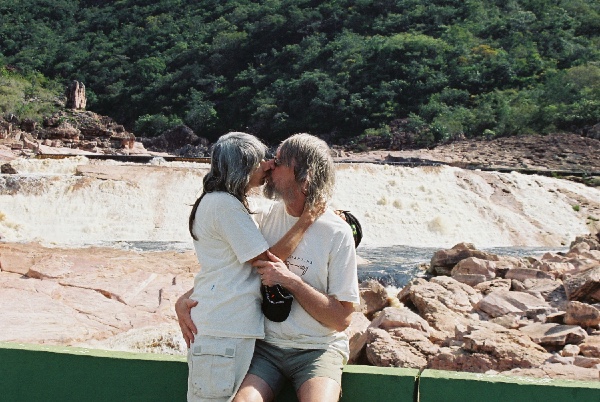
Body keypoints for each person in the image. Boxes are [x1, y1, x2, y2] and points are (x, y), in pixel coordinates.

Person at [177, 133, 360, 402]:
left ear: (304, 175)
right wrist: (187, 297)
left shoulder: (336, 232)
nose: (270, 164)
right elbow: (237, 268)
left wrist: (291, 281)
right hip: (267, 348)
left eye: (280, 160)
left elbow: (342, 320)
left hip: (317, 349)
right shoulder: (263, 219)